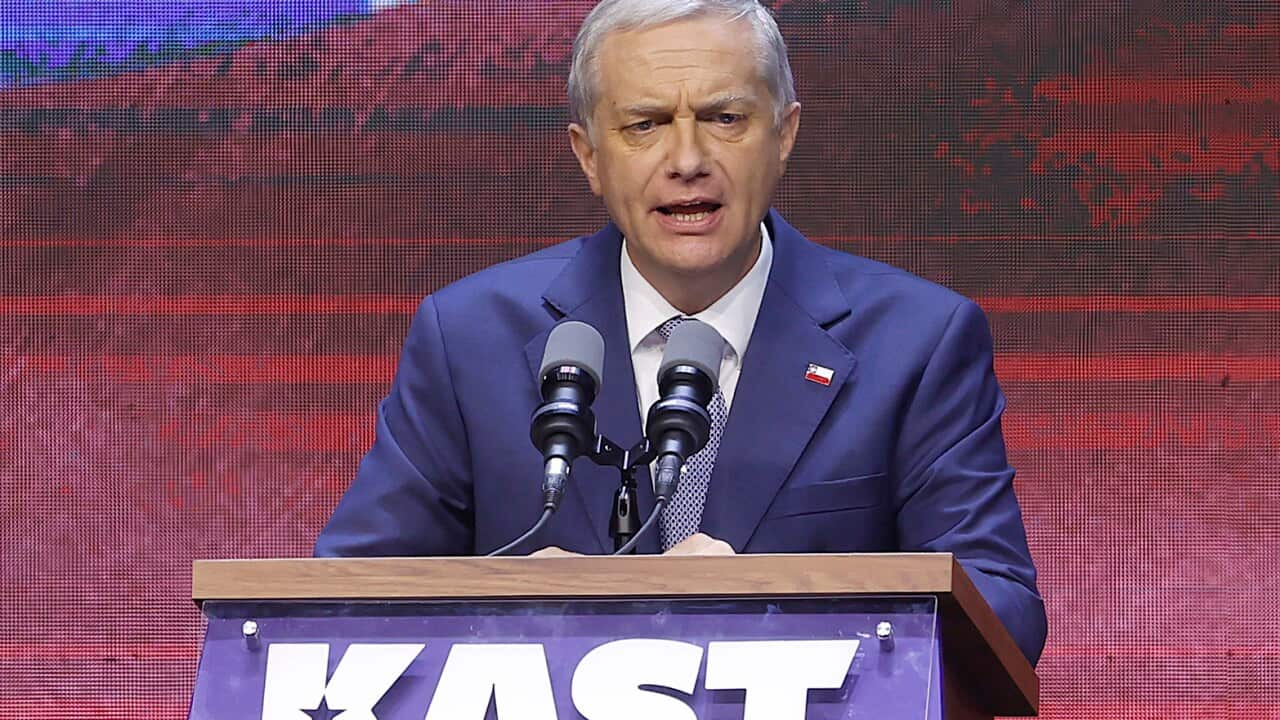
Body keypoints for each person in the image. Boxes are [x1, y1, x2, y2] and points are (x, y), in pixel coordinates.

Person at [315, 0, 1047, 664]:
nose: (688, 160)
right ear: (589, 155)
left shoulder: (917, 339)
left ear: (784, 133)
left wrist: (776, 599)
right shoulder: (470, 337)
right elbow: (335, 601)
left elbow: (1005, 614)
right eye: (646, 124)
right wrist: (504, 606)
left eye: (725, 118)